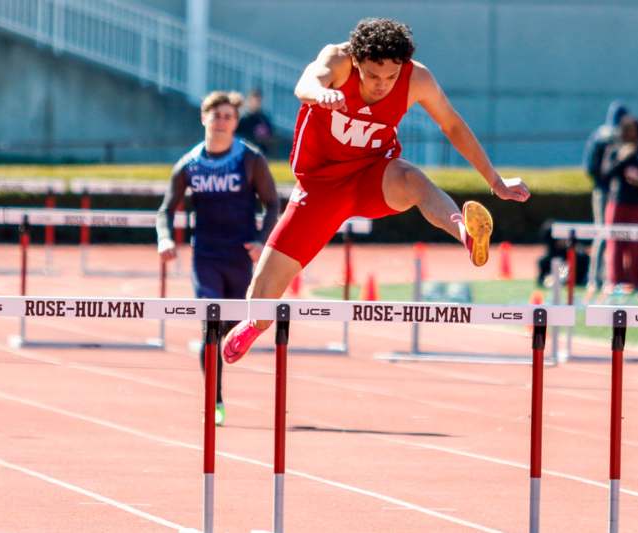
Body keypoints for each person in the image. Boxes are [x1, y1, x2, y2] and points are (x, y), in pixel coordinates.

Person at [221, 18, 531, 363]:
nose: (381, 85)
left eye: (391, 77)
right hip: (321, 186)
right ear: (357, 61)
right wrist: (321, 93)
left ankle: (466, 233)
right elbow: (306, 82)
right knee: (261, 297)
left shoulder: (418, 78)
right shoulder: (337, 58)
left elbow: (452, 124)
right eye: (372, 76)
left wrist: (495, 181)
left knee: (414, 180)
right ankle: (253, 324)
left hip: (373, 174)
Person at [156, 90, 280, 425]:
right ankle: (215, 400)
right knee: (210, 328)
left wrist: (261, 240)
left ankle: (221, 372)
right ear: (204, 118)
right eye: (216, 115)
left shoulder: (250, 159)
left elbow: (273, 204)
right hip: (206, 256)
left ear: (236, 122)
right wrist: (165, 238)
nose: (221, 121)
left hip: (240, 257)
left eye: (228, 116)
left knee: (230, 328)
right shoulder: (189, 164)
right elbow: (166, 210)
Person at [602, 115, 638, 291]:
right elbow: (606, 174)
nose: (630, 134)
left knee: (637, 244)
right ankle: (615, 281)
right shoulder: (614, 151)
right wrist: (623, 159)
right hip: (618, 202)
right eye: (627, 130)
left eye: (633, 130)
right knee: (615, 243)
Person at [582, 101, 628, 295]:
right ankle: (595, 278)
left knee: (614, 234)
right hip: (605, 191)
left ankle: (610, 278)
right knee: (603, 233)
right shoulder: (605, 137)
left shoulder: (602, 135)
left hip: (613, 191)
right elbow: (591, 167)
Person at [236, 89, 275, 155]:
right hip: (243, 153)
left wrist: (263, 139)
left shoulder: (264, 119)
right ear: (248, 101)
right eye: (254, 100)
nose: (256, 103)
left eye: (258, 101)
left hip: (260, 154)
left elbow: (270, 137)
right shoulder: (242, 118)